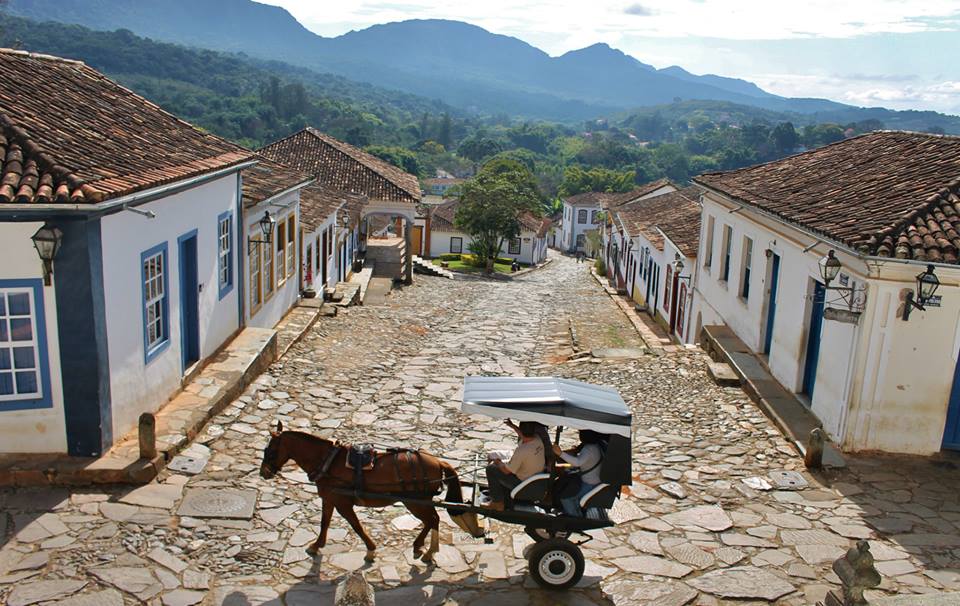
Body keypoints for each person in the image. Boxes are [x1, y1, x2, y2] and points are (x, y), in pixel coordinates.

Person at [485, 421, 546, 511]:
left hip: (522, 483)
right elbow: (524, 436)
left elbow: (506, 471)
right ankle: (496, 491)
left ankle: (497, 502)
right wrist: (513, 426)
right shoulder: (538, 440)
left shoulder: (522, 451)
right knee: (497, 457)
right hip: (533, 474)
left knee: (491, 469)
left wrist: (498, 462)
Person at [553, 430, 605, 516]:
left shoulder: (588, 449)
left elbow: (577, 462)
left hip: (589, 484)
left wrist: (560, 453)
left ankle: (575, 516)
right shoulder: (595, 446)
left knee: (566, 498)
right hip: (593, 479)